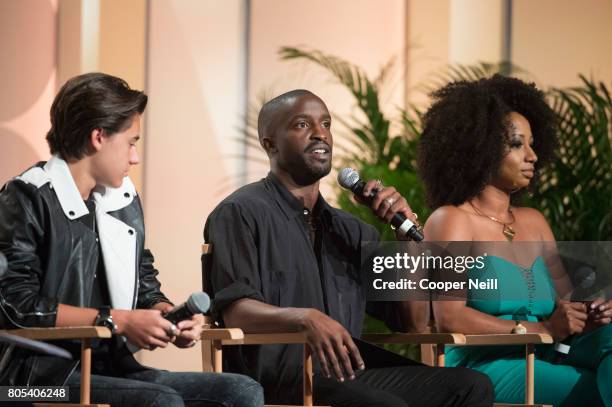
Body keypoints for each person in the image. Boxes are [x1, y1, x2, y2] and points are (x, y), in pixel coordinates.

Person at [204, 89, 494, 406]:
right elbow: (236, 312)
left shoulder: (352, 230)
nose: (320, 134)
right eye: (302, 125)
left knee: (471, 386)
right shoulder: (240, 213)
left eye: (326, 124)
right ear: (269, 143)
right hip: (280, 378)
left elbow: (411, 320)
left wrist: (403, 230)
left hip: (349, 373)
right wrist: (306, 318)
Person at [0, 72, 264, 407]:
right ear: (99, 137)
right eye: (132, 142)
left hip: (114, 368)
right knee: (160, 400)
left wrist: (168, 316)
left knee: (241, 391)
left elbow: (145, 284)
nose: (134, 157)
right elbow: (15, 305)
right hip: (33, 382)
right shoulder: (27, 196)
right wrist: (119, 321)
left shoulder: (120, 200)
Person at [419, 74, 612, 406]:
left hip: (547, 353)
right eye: (517, 144)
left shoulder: (534, 222)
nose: (532, 156)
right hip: (482, 365)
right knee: (591, 388)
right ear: (479, 146)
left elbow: (564, 304)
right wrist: (544, 329)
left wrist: (584, 315)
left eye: (533, 143)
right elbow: (449, 317)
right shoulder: (451, 220)